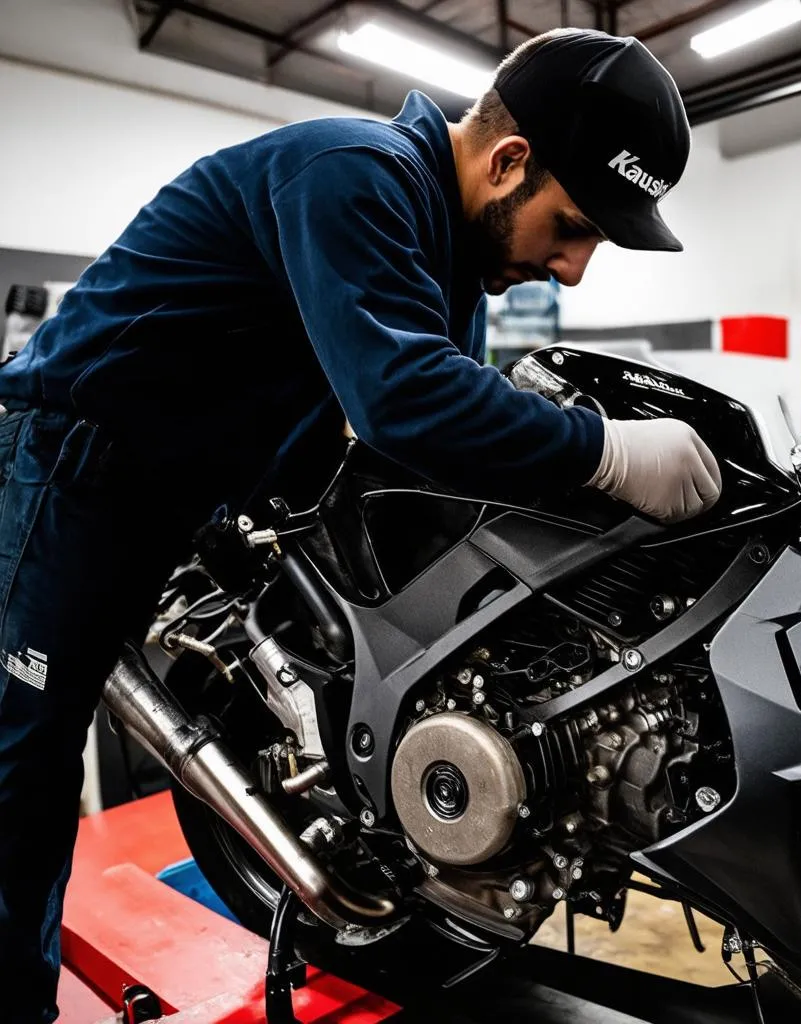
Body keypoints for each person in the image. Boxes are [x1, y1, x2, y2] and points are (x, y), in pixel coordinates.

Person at [0, 26, 719, 1022]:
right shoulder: (355, 175)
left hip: (199, 485)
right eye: (575, 225)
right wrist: (607, 449)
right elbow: (406, 404)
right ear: (510, 160)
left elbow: (423, 462)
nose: (573, 269)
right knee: (24, 766)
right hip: (76, 467)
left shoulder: (449, 268)